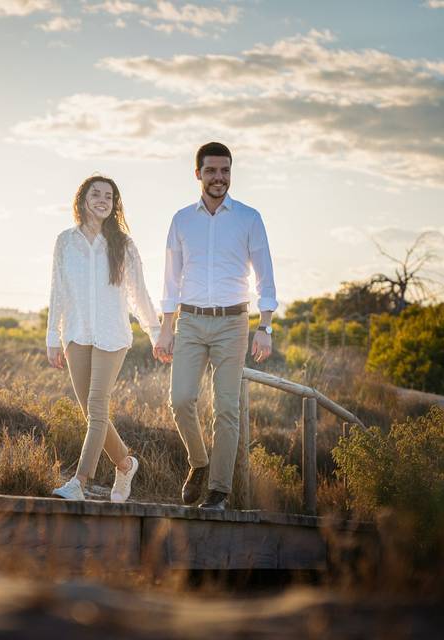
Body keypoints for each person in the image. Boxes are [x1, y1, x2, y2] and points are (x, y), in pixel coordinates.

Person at [153, 142, 278, 511]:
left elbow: (265, 277)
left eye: (225, 171)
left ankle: (218, 492)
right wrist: (166, 327)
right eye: (211, 171)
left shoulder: (249, 218)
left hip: (233, 324)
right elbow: (170, 280)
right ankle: (199, 463)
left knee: (227, 408)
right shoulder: (181, 220)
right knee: (181, 400)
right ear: (198, 174)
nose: (219, 178)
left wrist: (265, 326)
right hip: (189, 322)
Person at [45, 175, 161, 503]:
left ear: (114, 205)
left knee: (97, 406)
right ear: (82, 200)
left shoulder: (123, 245)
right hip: (77, 334)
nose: (102, 200)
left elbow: (139, 294)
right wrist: (52, 335)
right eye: (95, 194)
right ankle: (125, 465)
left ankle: (78, 483)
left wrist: (154, 331)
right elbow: (58, 290)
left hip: (112, 335)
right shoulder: (65, 242)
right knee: (91, 412)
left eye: (108, 196)